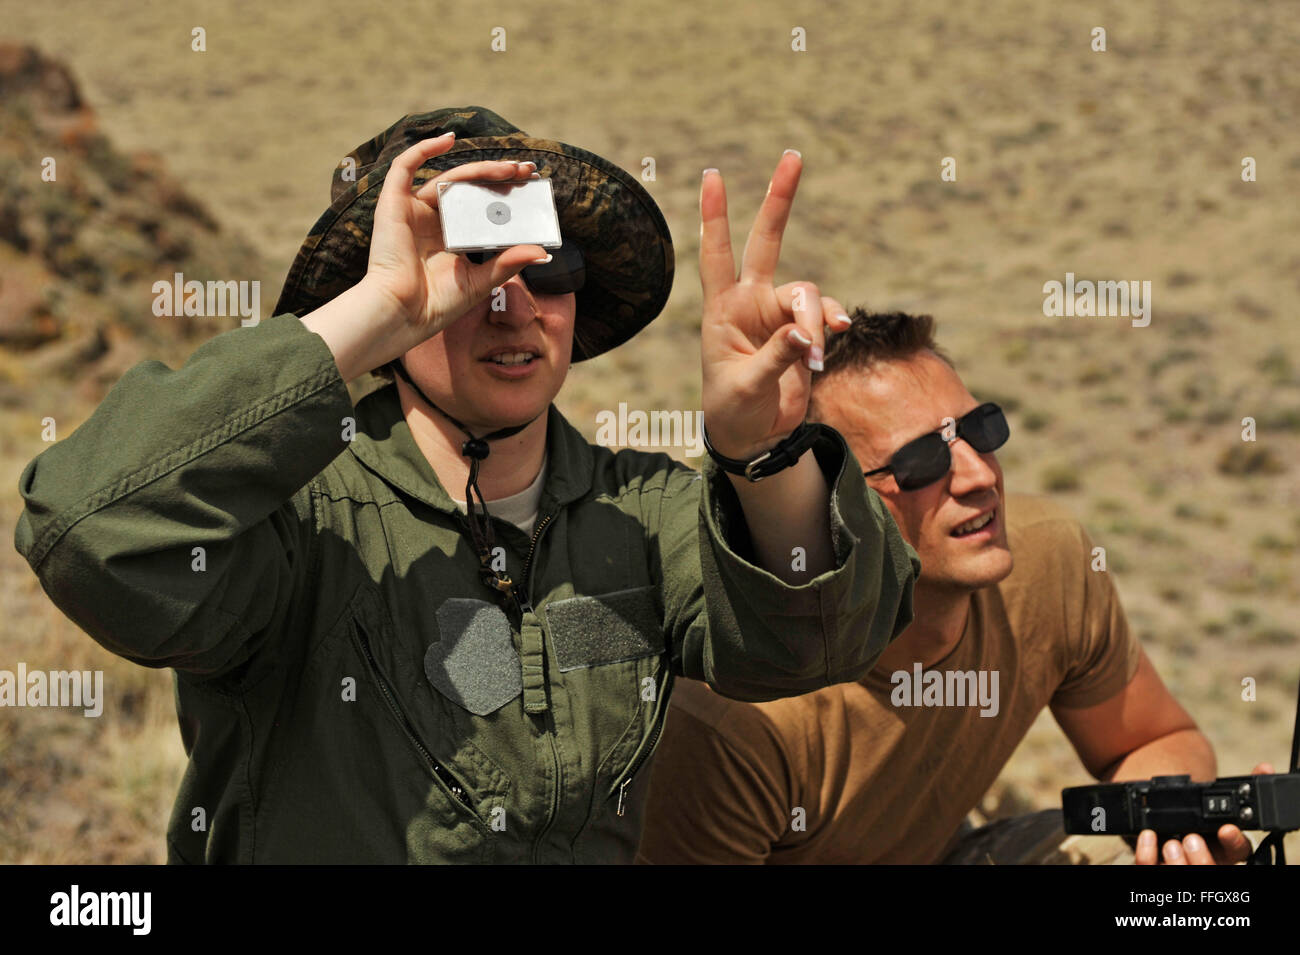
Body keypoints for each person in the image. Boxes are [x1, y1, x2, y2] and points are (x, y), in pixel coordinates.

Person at [14, 107, 920, 863]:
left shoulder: (637, 515)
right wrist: (380, 313)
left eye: (548, 270)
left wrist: (761, 450)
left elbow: (816, 639)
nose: (515, 305)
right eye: (472, 269)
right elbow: (90, 530)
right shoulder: (295, 520)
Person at [636, 308, 1269, 866]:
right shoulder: (733, 715)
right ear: (826, 506)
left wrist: (1168, 833)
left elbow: (1153, 740)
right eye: (921, 463)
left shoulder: (1048, 559)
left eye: (980, 430)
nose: (976, 476)